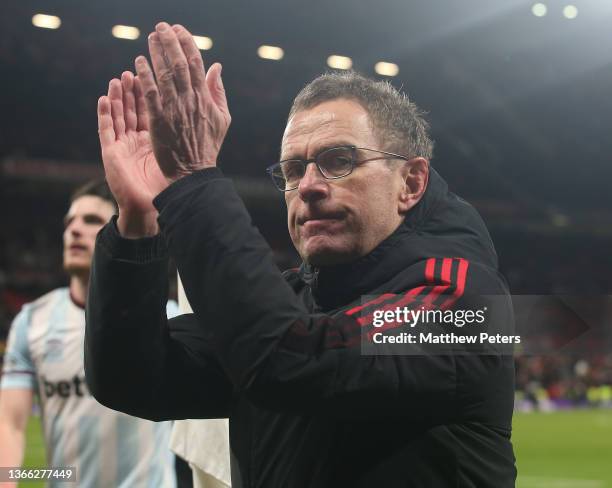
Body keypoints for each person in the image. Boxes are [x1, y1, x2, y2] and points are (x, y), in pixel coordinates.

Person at [85, 22, 517, 487]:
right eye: (293, 169)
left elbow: (298, 363)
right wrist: (138, 224)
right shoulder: (291, 303)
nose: (307, 186)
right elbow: (130, 378)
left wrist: (192, 183)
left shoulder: (464, 299)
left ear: (410, 183)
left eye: (338, 161)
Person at [0, 180, 178, 487]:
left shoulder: (168, 316)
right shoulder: (31, 322)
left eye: (92, 220)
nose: (74, 229)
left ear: (120, 234)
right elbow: (11, 424)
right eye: (70, 221)